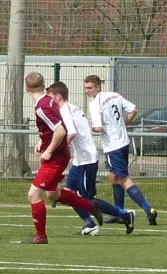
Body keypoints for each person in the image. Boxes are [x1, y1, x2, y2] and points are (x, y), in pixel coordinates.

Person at [20, 72, 103, 244]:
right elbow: (55, 127)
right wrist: (41, 141)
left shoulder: (41, 106)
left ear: (26, 88)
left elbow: (60, 131)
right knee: (53, 194)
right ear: (43, 85)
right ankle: (90, 207)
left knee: (33, 195)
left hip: (55, 158)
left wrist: (49, 150)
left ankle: (40, 236)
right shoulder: (50, 100)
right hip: (61, 154)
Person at [46, 81, 135, 236]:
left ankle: (125, 215)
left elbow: (71, 133)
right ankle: (89, 223)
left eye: (50, 98)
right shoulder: (73, 108)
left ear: (58, 97)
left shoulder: (65, 110)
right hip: (79, 160)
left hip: (87, 160)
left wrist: (57, 151)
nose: (49, 102)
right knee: (69, 194)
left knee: (87, 199)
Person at [84, 75, 158, 226]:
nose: (87, 91)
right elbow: (134, 109)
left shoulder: (94, 104)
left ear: (98, 87)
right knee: (113, 177)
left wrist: (88, 124)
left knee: (123, 179)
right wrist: (125, 123)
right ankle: (119, 212)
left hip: (113, 146)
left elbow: (98, 128)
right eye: (85, 88)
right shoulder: (114, 95)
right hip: (124, 142)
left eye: (90, 88)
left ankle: (148, 209)